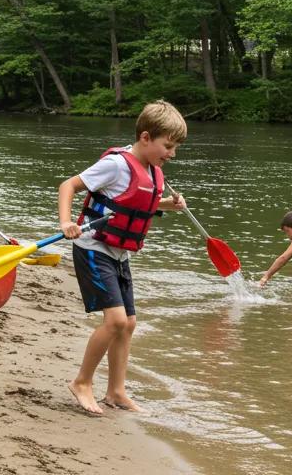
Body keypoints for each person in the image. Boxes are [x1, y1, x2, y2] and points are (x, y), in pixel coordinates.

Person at [57, 100, 188, 415]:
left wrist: (168, 205)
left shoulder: (152, 171)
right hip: (93, 248)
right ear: (145, 137)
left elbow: (134, 204)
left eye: (175, 148)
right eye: (168, 146)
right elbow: (68, 185)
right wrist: (65, 222)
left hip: (119, 254)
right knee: (115, 320)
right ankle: (82, 382)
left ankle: (116, 392)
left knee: (128, 323)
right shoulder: (116, 165)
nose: (172, 153)